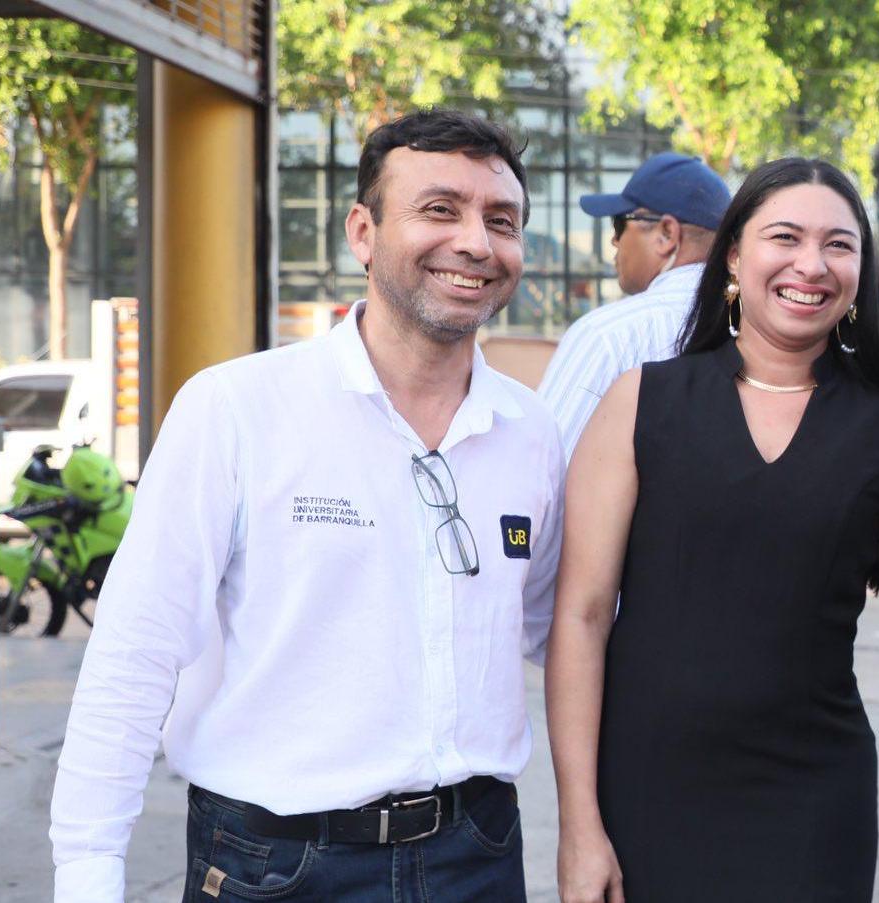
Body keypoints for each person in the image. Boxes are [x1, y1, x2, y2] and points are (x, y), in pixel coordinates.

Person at [49, 109, 563, 902]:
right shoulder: (237, 408)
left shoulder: (530, 432)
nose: (475, 242)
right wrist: (87, 874)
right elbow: (134, 651)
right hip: (276, 864)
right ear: (362, 231)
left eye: (501, 220)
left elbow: (557, 630)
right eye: (439, 209)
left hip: (478, 856)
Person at [545, 157, 879, 903]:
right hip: (648, 789)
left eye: (839, 244)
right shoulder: (641, 401)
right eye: (786, 236)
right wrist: (579, 825)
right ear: (735, 257)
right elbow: (580, 617)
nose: (812, 263)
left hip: (813, 801)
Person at [539, 152, 729, 451]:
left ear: (666, 234)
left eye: (618, 224)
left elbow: (544, 468)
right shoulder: (758, 329)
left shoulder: (608, 335)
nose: (615, 240)